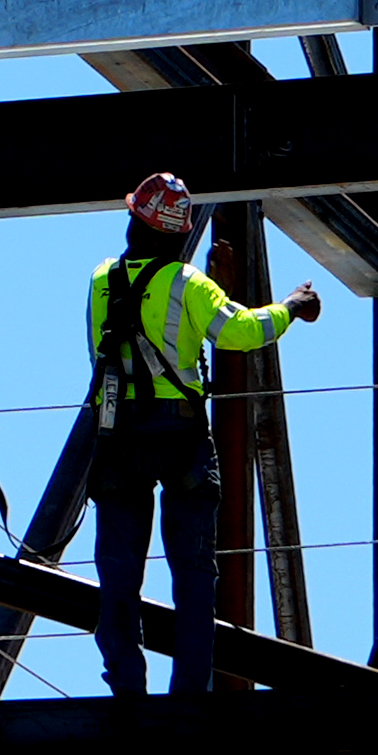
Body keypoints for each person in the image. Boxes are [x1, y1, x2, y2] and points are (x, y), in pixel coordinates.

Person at [81, 174, 314, 698]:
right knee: (191, 576)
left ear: (135, 221)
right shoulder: (188, 282)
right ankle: (188, 696)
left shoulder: (100, 278)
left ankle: (127, 691)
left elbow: (97, 351)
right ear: (176, 234)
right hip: (179, 434)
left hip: (118, 434)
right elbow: (241, 332)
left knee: (118, 577)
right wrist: (292, 308)